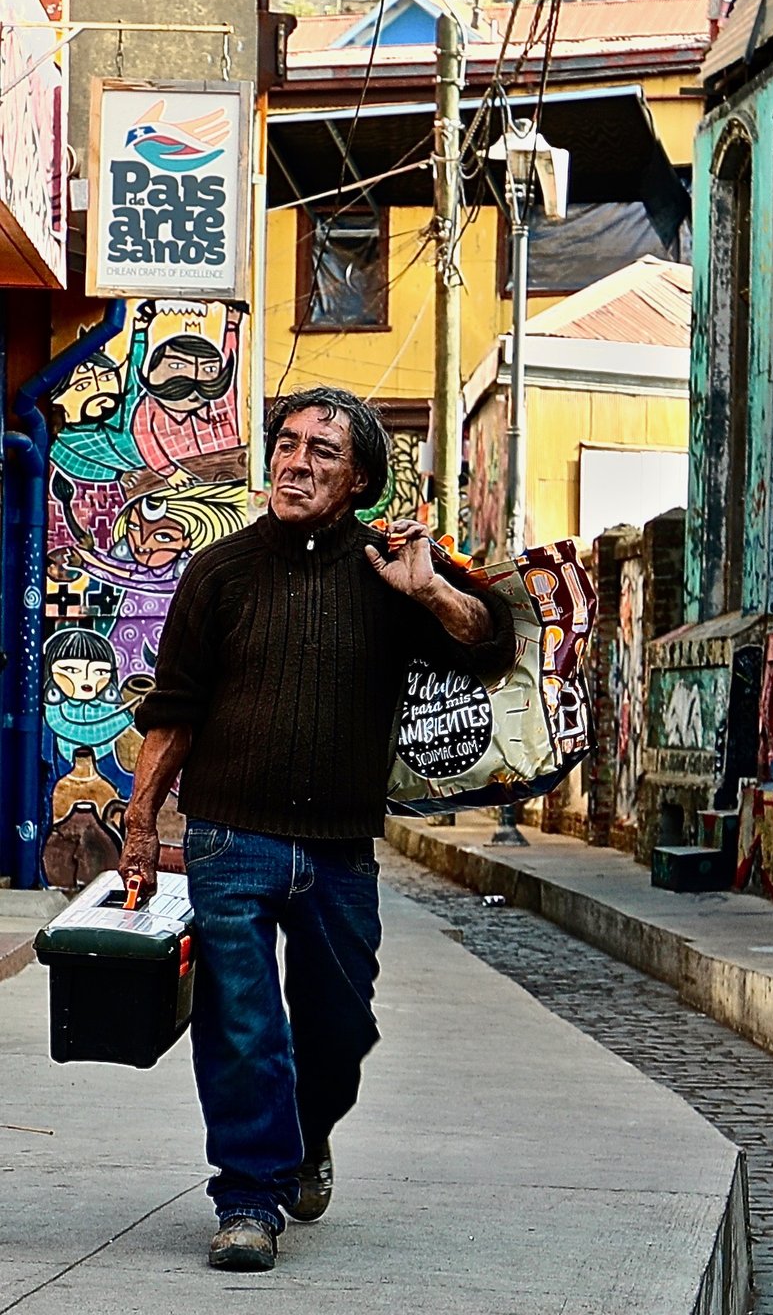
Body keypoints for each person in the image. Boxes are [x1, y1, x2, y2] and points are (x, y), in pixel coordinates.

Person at [121, 386, 513, 1272]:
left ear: (359, 478)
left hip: (339, 851)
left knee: (339, 1028)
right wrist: (142, 821)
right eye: (287, 446)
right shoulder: (217, 574)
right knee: (243, 1021)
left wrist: (433, 595)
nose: (295, 463)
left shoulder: (391, 571)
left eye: (322, 453)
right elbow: (173, 709)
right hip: (231, 839)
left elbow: (489, 646)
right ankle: (248, 1198)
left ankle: (309, 1136)